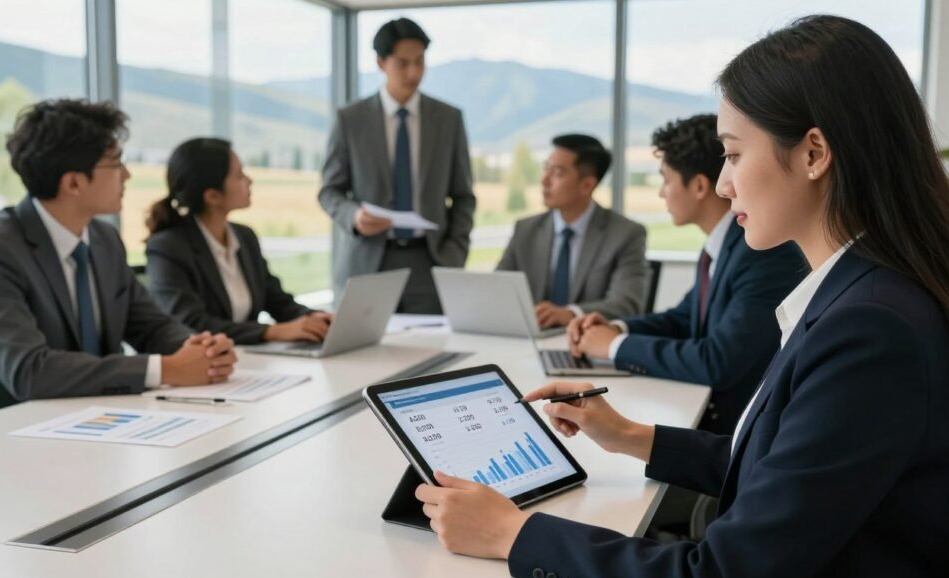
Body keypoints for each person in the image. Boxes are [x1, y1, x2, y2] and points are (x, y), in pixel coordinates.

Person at [414, 15, 949, 578]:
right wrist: (631, 436)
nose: (721, 183)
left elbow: (722, 575)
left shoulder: (870, 328)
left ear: (814, 154)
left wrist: (514, 535)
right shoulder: (864, 295)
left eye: (735, 154)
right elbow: (785, 471)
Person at [0, 100, 237, 417]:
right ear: (73, 182)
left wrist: (202, 349)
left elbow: (150, 326)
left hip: (99, 421)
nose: (127, 174)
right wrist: (164, 369)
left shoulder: (104, 240)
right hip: (9, 434)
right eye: (115, 163)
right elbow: (30, 370)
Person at [567, 115, 805, 433]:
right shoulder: (721, 247)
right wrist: (614, 326)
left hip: (732, 437)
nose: (662, 193)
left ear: (699, 186)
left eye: (666, 180)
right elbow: (683, 318)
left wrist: (615, 346)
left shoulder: (762, 254)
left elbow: (717, 361)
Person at [318, 17, 476, 314]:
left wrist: (455, 252)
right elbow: (329, 191)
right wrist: (353, 216)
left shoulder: (448, 119)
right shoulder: (350, 120)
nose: (413, 72)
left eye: (419, 61)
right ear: (381, 63)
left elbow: (464, 195)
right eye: (402, 63)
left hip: (431, 261)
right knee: (363, 357)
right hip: (367, 261)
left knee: (435, 353)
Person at [145, 138, 332, 346]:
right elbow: (192, 323)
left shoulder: (245, 237)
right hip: (207, 366)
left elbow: (277, 301)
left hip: (251, 362)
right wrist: (271, 331)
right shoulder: (168, 248)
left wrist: (315, 318)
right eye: (240, 175)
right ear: (212, 196)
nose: (249, 180)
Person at [496, 134, 647, 327]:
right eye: (546, 170)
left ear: (587, 185)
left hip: (588, 344)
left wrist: (570, 314)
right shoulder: (526, 230)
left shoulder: (626, 234)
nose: (544, 180)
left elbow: (627, 304)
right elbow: (498, 290)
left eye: (557, 173)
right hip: (529, 340)